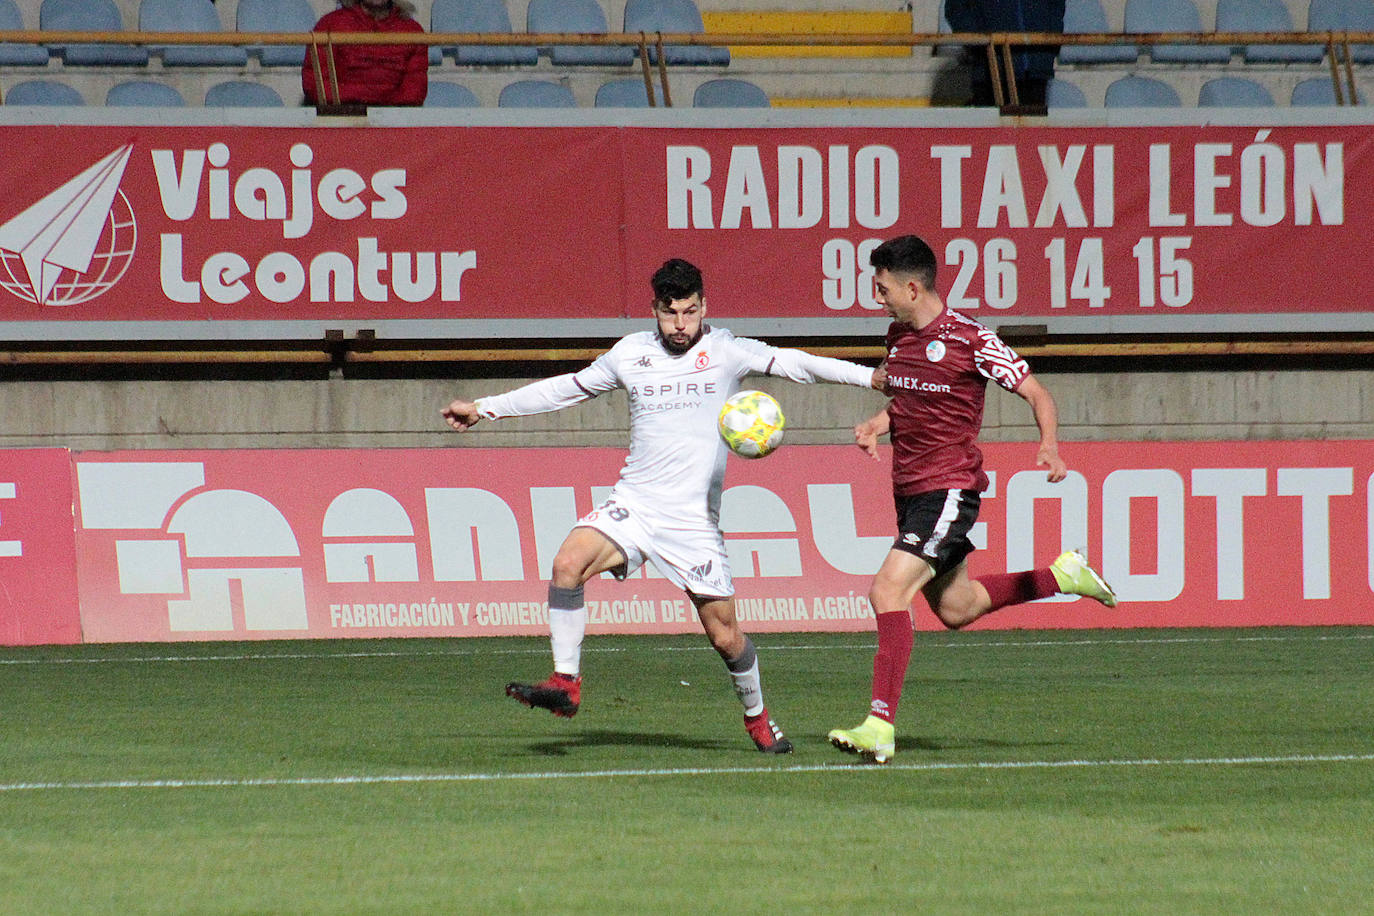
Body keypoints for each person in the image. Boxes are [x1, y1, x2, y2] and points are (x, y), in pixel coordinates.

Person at [442, 259, 885, 754]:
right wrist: (485, 407)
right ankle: (566, 684)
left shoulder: (726, 351)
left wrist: (870, 379)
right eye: (670, 312)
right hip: (636, 504)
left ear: (704, 307)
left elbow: (799, 363)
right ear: (654, 308)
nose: (680, 324)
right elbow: (565, 388)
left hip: (692, 523)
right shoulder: (630, 354)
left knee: (725, 637)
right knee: (567, 563)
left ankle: (758, 718)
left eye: (690, 312)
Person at [827, 234, 1116, 765]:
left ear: (912, 287)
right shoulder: (897, 335)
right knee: (957, 609)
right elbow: (911, 398)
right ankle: (1063, 576)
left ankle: (879, 725)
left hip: (947, 489)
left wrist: (1048, 446)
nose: (878, 297)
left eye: (883, 287)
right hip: (910, 490)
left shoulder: (972, 340)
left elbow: (1036, 391)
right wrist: (878, 422)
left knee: (887, 591)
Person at [944, 0, 1065, 111]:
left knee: (1030, 132)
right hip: (990, 70)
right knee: (991, 132)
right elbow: (955, 9)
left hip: (1035, 69)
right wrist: (980, 43)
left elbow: (1056, 7)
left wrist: (1049, 45)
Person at [302, 0, 428, 107]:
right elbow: (315, 85)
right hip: (341, 116)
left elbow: (415, 90)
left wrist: (383, 110)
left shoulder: (412, 31)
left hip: (394, 119)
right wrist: (366, 100)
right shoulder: (330, 24)